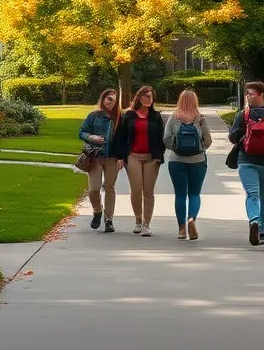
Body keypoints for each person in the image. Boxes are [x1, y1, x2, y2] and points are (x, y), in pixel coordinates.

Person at [228, 81, 264, 246]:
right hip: (249, 161)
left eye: (251, 94)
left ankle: (257, 224)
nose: (248, 96)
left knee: (261, 196)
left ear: (261, 95)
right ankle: (258, 226)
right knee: (258, 195)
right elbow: (233, 138)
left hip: (263, 161)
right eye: (247, 94)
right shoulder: (245, 115)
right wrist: (242, 130)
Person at [114, 85, 165, 236]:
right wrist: (120, 157)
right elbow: (120, 137)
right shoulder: (128, 115)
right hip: (133, 156)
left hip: (151, 158)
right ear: (140, 97)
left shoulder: (155, 116)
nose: (150, 99)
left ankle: (146, 224)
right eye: (147, 96)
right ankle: (137, 220)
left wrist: (159, 155)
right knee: (136, 189)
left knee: (148, 191)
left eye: (151, 97)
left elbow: (160, 138)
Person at [163, 89, 212, 240]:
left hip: (177, 161)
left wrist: (177, 147)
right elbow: (208, 141)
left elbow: (166, 139)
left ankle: (182, 229)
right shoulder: (200, 119)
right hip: (197, 161)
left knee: (180, 195)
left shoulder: (174, 117)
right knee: (194, 194)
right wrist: (199, 148)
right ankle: (192, 219)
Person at [78, 89, 124, 233]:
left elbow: (123, 139)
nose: (111, 103)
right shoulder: (94, 116)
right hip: (95, 157)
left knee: (110, 188)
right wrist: (92, 138)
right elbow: (82, 132)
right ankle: (97, 210)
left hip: (112, 158)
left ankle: (109, 220)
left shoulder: (119, 118)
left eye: (114, 101)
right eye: (109, 99)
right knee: (94, 189)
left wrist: (121, 157)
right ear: (103, 99)